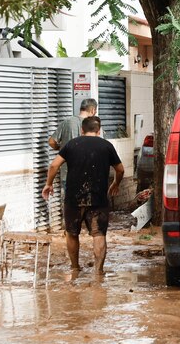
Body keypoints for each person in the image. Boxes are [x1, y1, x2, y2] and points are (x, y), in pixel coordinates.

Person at [42, 115, 124, 274]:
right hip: (98, 198)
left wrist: (48, 184)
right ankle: (98, 271)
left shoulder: (72, 144)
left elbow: (53, 165)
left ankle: (74, 268)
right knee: (98, 233)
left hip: (74, 197)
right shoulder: (106, 146)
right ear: (98, 131)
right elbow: (120, 169)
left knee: (72, 233)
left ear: (82, 130)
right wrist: (116, 183)